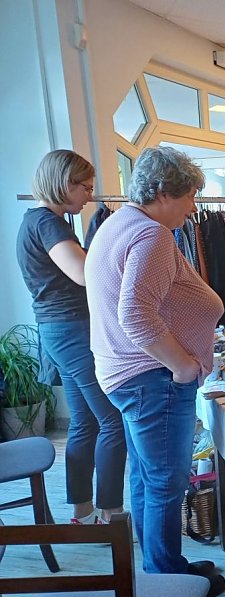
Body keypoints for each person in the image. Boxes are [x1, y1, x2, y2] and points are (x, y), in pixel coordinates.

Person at [85, 146, 225, 597]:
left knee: (147, 475)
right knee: (166, 480)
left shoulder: (118, 224)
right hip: (152, 378)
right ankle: (169, 582)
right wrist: (182, 365)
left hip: (127, 376)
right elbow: (135, 313)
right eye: (190, 196)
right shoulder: (152, 236)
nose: (194, 207)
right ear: (164, 192)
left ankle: (160, 565)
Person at [15, 150, 126, 525]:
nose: (89, 195)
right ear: (65, 183)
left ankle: (82, 510)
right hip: (71, 329)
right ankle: (110, 515)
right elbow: (82, 274)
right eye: (85, 187)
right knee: (113, 420)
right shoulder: (48, 223)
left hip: (59, 330)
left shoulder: (38, 221)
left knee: (86, 421)